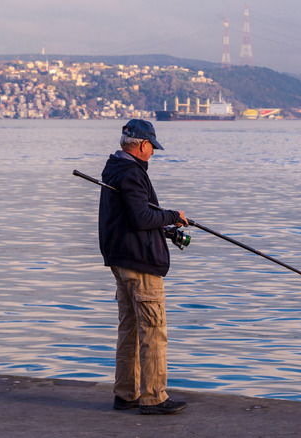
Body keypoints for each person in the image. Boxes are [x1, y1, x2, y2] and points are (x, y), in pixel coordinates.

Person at [98, 119, 189, 415]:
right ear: (142, 145)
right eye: (152, 148)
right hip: (139, 264)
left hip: (120, 260)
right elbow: (141, 218)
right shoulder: (133, 174)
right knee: (153, 331)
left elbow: (131, 217)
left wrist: (162, 222)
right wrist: (172, 216)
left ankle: (125, 394)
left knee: (129, 329)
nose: (153, 154)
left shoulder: (114, 169)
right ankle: (153, 397)